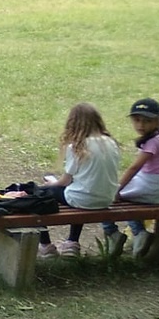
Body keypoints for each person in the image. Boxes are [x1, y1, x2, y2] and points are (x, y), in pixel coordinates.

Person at [36, 103, 121, 258]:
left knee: (37, 195)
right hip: (106, 199)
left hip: (83, 199)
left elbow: (66, 180)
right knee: (79, 190)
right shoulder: (111, 143)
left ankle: (45, 244)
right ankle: (72, 242)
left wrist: (52, 183)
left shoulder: (77, 146)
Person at [102, 98, 159, 259]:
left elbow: (134, 168)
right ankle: (139, 233)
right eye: (136, 120)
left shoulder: (153, 143)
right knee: (128, 200)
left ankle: (113, 233)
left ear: (158, 121)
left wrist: (117, 188)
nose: (140, 126)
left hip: (152, 189)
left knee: (103, 196)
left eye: (147, 121)